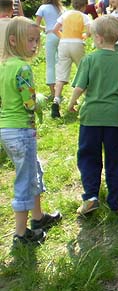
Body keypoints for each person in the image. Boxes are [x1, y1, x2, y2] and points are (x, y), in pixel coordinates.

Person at [0, 17, 62, 246]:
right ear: (14, 40)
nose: (35, 44)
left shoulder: (3, 65)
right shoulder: (23, 68)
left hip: (7, 129)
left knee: (34, 170)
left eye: (37, 40)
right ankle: (20, 234)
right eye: (30, 40)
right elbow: (29, 103)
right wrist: (40, 101)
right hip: (21, 131)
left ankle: (37, 218)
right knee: (25, 180)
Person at [67, 15, 118, 215]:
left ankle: (91, 195)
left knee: (88, 156)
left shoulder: (89, 59)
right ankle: (116, 200)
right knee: (115, 158)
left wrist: (71, 102)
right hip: (116, 118)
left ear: (99, 38)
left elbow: (80, 87)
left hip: (91, 117)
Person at [51, 0, 91, 118]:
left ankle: (56, 99)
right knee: (83, 70)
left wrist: (63, 37)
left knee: (62, 74)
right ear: (84, 6)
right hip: (77, 44)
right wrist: (84, 36)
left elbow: (55, 29)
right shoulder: (84, 16)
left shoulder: (65, 14)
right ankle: (86, 97)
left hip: (63, 44)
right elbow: (89, 30)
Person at [35, 0, 65, 98]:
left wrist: (44, 28)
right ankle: (59, 90)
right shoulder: (62, 9)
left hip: (51, 35)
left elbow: (36, 24)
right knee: (59, 62)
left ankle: (53, 92)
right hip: (61, 35)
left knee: (50, 63)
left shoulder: (43, 8)